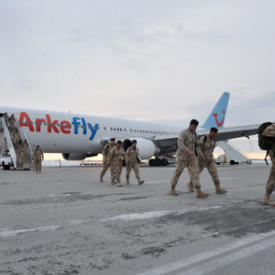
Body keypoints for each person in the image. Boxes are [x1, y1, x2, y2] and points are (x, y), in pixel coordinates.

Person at [170, 119, 209, 198]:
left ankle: (198, 191)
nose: (195, 128)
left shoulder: (194, 133)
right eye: (194, 127)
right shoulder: (183, 133)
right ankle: (172, 188)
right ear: (191, 125)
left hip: (192, 157)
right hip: (182, 156)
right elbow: (180, 143)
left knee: (196, 172)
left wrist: (200, 142)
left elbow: (196, 143)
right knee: (178, 172)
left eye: (196, 127)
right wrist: (187, 150)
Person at [188, 127, 227, 194]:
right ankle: (190, 185)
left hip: (210, 160)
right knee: (196, 174)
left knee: (215, 174)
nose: (215, 135)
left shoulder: (213, 140)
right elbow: (198, 148)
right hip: (201, 160)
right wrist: (201, 155)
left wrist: (211, 157)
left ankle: (218, 189)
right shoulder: (204, 138)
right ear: (211, 132)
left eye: (216, 134)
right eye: (214, 134)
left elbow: (211, 150)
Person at [261, 123, 275, 206]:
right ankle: (266, 198)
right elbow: (265, 132)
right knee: (274, 175)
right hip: (274, 153)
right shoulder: (272, 127)